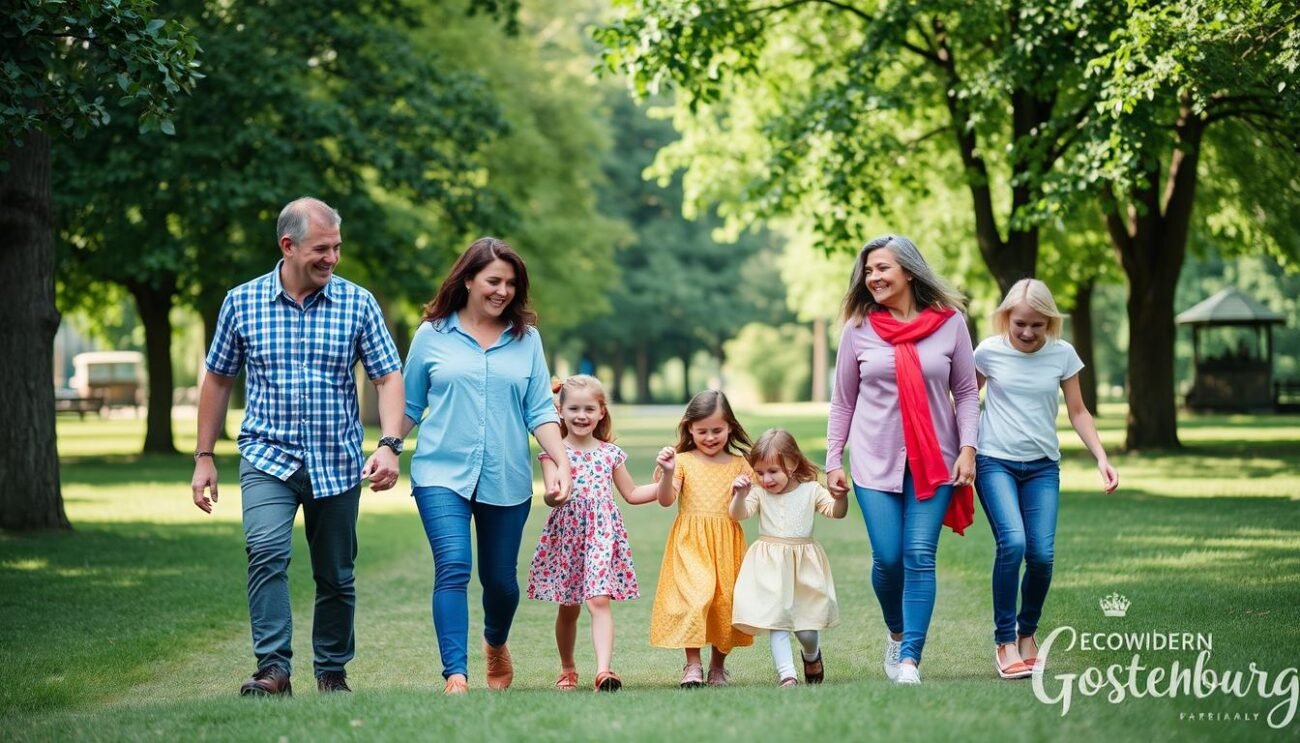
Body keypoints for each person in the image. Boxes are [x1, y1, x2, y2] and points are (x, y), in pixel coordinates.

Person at [190, 197, 406, 697]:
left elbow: (387, 376)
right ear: (288, 246)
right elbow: (218, 379)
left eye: (337, 248)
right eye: (321, 249)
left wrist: (390, 444)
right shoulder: (241, 302)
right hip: (267, 455)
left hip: (336, 459)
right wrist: (204, 457)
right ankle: (273, 669)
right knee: (265, 551)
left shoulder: (358, 303)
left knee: (336, 574)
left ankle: (331, 671)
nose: (332, 258)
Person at [399, 236, 570, 695]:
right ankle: (456, 674)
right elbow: (410, 404)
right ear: (468, 279)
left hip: (506, 474)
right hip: (440, 472)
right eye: (494, 280)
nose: (503, 291)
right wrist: (388, 446)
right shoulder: (432, 335)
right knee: (453, 565)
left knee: (501, 583)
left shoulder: (526, 339)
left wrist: (562, 461)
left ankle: (495, 642)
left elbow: (539, 409)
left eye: (511, 283)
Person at [825, 234, 979, 686]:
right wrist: (833, 460)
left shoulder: (950, 323)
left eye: (882, 268)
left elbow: (967, 392)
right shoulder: (857, 329)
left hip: (936, 460)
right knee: (889, 558)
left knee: (919, 555)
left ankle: (910, 657)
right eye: (868, 271)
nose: (873, 277)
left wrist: (968, 448)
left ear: (909, 271)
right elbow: (843, 401)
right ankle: (896, 632)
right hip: (874, 460)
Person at [974, 278, 1120, 679]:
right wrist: (961, 450)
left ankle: (1027, 634)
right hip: (995, 462)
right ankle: (1004, 642)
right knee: (1013, 543)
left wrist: (1102, 457)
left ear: (1050, 322)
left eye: (1037, 325)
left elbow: (1078, 411)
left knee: (1041, 555)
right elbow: (966, 401)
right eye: (1019, 323)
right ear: (1006, 317)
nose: (1027, 332)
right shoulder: (987, 352)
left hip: (1042, 467)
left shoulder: (1062, 354)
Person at [526, 375, 659, 692]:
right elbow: (552, 493)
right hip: (568, 536)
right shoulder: (554, 453)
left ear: (601, 412)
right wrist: (554, 495)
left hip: (601, 534)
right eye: (573, 408)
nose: (581, 415)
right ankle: (568, 668)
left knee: (599, 600)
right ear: (560, 411)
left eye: (589, 409)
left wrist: (668, 483)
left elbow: (632, 493)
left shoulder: (610, 453)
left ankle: (603, 671)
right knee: (568, 607)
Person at [649, 390, 755, 688]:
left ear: (730, 427)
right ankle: (693, 665)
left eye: (717, 430)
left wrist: (743, 492)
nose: (710, 437)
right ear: (690, 429)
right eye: (702, 431)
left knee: (724, 603)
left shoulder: (740, 464)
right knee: (694, 599)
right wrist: (667, 473)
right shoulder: (681, 461)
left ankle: (717, 667)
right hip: (690, 543)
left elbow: (749, 508)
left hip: (726, 544)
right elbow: (666, 500)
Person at [729, 429, 848, 688]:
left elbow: (835, 512)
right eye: (759, 472)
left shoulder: (811, 490)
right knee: (777, 621)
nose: (766, 479)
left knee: (806, 629)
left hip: (804, 566)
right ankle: (787, 676)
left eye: (773, 471)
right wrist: (739, 495)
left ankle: (811, 654)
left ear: (792, 464)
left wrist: (841, 498)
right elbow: (739, 514)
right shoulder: (758, 493)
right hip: (770, 566)